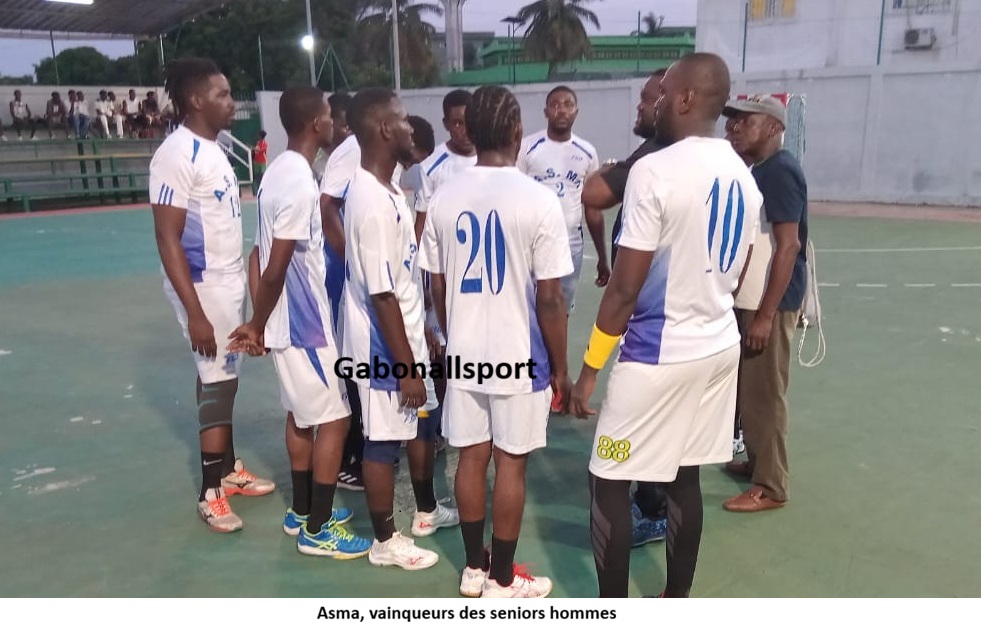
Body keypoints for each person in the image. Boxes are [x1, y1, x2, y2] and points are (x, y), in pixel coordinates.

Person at [570, 53, 763, 598]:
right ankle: (675, 600)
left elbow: (625, 290)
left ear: (683, 99)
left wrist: (589, 371)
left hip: (660, 350)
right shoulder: (743, 174)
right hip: (717, 342)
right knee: (685, 475)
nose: (651, 104)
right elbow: (741, 269)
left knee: (607, 478)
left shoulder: (655, 169)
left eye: (659, 95)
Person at [420, 85, 570, 598]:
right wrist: (564, 369)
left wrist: (452, 329)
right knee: (511, 461)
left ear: (469, 132)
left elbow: (435, 284)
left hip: (465, 352)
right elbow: (550, 299)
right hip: (518, 356)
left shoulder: (443, 196)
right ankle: (504, 579)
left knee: (470, 457)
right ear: (516, 132)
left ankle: (473, 569)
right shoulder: (538, 199)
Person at [227, 86, 370, 558]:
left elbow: (257, 251)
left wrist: (263, 321)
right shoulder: (298, 182)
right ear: (316, 124)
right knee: (336, 419)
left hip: (290, 322)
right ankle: (319, 527)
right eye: (331, 116)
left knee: (301, 415)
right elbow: (277, 264)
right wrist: (258, 323)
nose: (336, 123)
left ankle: (303, 509)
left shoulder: (276, 174)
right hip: (304, 325)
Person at [148, 57, 275, 533]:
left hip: (224, 282)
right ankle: (210, 493)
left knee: (223, 375)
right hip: (201, 287)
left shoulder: (216, 148)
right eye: (222, 94)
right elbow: (168, 237)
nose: (231, 102)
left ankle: (228, 469)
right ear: (197, 100)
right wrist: (195, 312)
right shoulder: (176, 154)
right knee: (218, 380)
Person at [342, 87, 459, 570]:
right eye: (405, 119)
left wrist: (422, 333)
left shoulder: (390, 190)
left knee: (410, 427)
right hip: (382, 349)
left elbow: (400, 281)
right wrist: (407, 368)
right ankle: (385, 540)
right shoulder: (369, 199)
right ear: (386, 129)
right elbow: (381, 294)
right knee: (381, 441)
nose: (414, 127)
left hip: (403, 339)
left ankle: (426, 511)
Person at [580, 68, 671, 548]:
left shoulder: (655, 160)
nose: (638, 107)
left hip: (654, 328)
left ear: (673, 102)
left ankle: (653, 509)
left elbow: (594, 190)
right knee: (663, 427)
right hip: (669, 325)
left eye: (646, 99)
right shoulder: (676, 159)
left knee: (624, 438)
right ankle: (656, 504)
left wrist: (589, 369)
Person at [721, 95, 808, 514]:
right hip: (752, 299)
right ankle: (757, 463)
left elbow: (788, 246)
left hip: (767, 304)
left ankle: (771, 486)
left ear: (773, 127)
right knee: (748, 391)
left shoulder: (779, 172)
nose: (733, 128)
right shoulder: (760, 170)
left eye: (745, 121)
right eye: (731, 122)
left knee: (764, 394)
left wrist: (765, 315)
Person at [517, 85, 598, 316]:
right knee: (531, 306)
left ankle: (556, 353)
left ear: (576, 112)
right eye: (554, 105)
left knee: (562, 309)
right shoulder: (527, 148)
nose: (561, 110)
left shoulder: (587, 152)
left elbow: (592, 206)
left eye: (568, 105)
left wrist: (603, 256)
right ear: (545, 112)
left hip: (570, 239)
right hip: (533, 238)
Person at [413, 89, 477, 242]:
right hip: (447, 258)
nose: (465, 131)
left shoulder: (492, 159)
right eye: (457, 123)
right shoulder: (430, 167)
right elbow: (422, 221)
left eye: (469, 122)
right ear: (446, 124)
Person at [252, 131, 268, 195]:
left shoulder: (265, 143)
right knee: (257, 175)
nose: (258, 136)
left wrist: (254, 149)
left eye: (259, 135)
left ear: (261, 136)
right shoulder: (258, 143)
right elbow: (256, 150)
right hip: (256, 161)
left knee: (262, 175)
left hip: (262, 161)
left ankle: (263, 189)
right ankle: (258, 190)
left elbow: (261, 150)